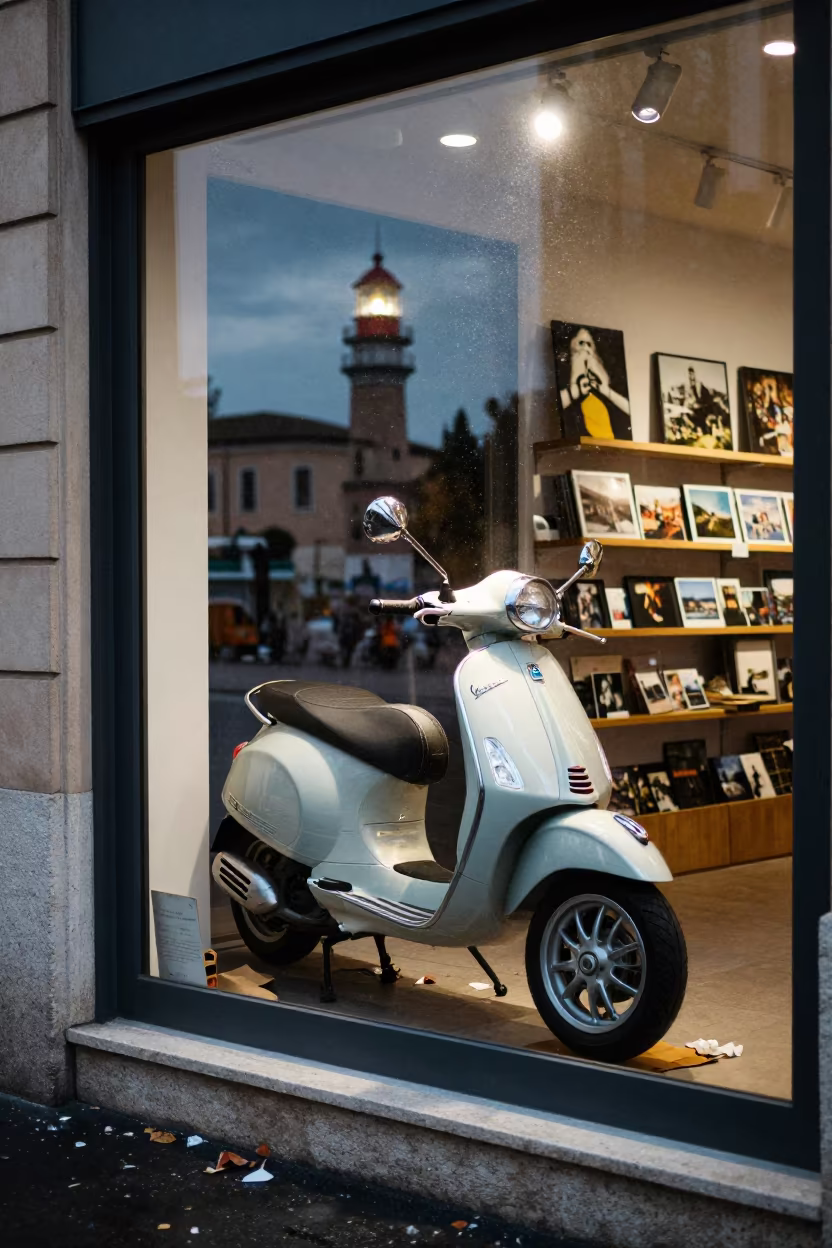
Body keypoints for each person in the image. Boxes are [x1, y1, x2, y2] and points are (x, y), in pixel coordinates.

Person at [559, 327, 631, 439]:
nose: (585, 348)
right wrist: (575, 390)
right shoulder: (564, 376)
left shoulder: (604, 383)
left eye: (589, 344)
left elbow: (631, 411)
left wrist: (606, 391)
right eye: (581, 343)